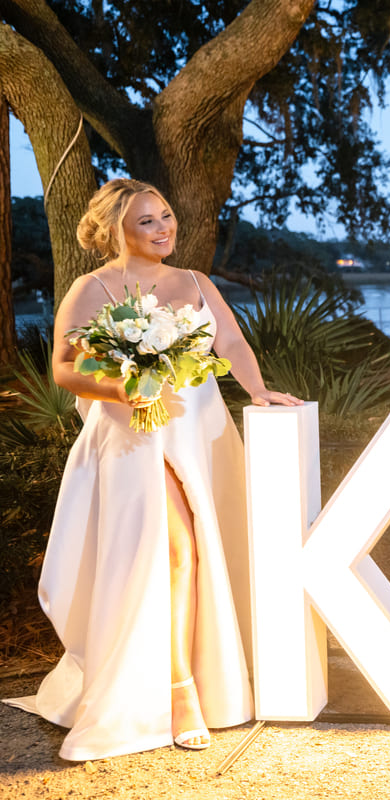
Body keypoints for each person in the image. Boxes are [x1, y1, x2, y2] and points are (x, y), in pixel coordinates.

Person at [3, 179, 302, 760]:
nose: (164, 227)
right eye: (147, 221)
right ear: (119, 229)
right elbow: (66, 368)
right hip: (134, 438)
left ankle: (206, 676)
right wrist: (121, 388)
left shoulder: (195, 283)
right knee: (177, 552)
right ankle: (178, 690)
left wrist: (260, 391)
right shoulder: (92, 289)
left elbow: (233, 342)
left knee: (206, 553)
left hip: (199, 432)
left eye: (165, 216)